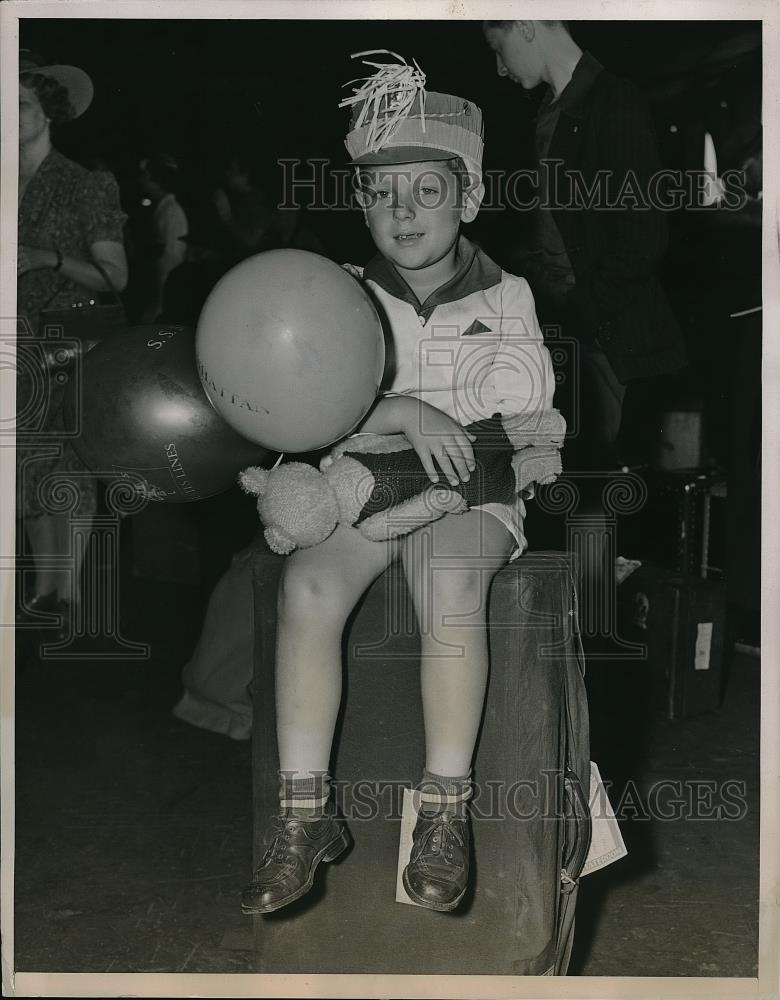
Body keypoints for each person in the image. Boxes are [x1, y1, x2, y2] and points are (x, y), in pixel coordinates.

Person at [241, 53, 558, 915]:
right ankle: (305, 812)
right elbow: (311, 420)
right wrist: (397, 412)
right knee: (306, 583)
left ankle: (444, 809)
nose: (404, 212)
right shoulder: (340, 297)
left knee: (448, 580)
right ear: (361, 205)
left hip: (473, 488)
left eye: (427, 191)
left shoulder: (510, 296)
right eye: (383, 194)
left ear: (470, 200)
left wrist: (441, 431)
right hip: (366, 486)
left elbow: (526, 421)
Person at [482, 21, 687, 644]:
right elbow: (554, 231)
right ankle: (574, 658)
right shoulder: (553, 109)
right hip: (561, 332)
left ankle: (588, 664)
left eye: (498, 47)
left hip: (599, 336)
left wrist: (581, 317)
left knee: (590, 508)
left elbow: (643, 240)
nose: (498, 67)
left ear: (525, 23)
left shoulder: (613, 100)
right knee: (570, 504)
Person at [17, 50, 128, 632]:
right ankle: (45, 589)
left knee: (72, 467)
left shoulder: (85, 185)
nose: (9, 113)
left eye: (22, 103)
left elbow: (117, 277)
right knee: (29, 466)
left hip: (67, 341)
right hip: (15, 344)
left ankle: (76, 594)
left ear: (49, 112)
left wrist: (47, 257)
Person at [138, 152, 188, 322]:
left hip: (165, 284)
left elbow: (174, 254)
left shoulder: (173, 212)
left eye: (145, 176)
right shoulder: (160, 209)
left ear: (157, 180)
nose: (141, 180)